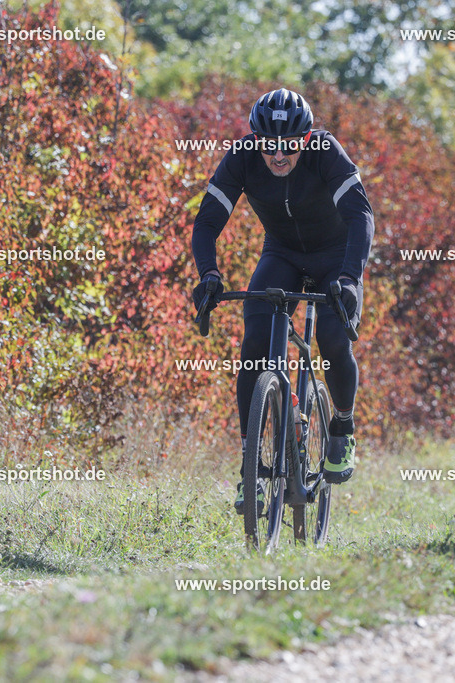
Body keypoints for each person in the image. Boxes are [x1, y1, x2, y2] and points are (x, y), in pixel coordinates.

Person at [190, 88, 375, 513]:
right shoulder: (242, 156)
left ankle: (342, 426)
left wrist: (349, 278)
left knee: (332, 339)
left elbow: (360, 216)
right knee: (254, 343)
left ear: (305, 139)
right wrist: (209, 275)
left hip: (335, 256)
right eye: (268, 144)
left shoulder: (326, 151)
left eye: (289, 145)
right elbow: (207, 223)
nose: (277, 155)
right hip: (282, 255)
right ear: (256, 138)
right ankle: (250, 468)